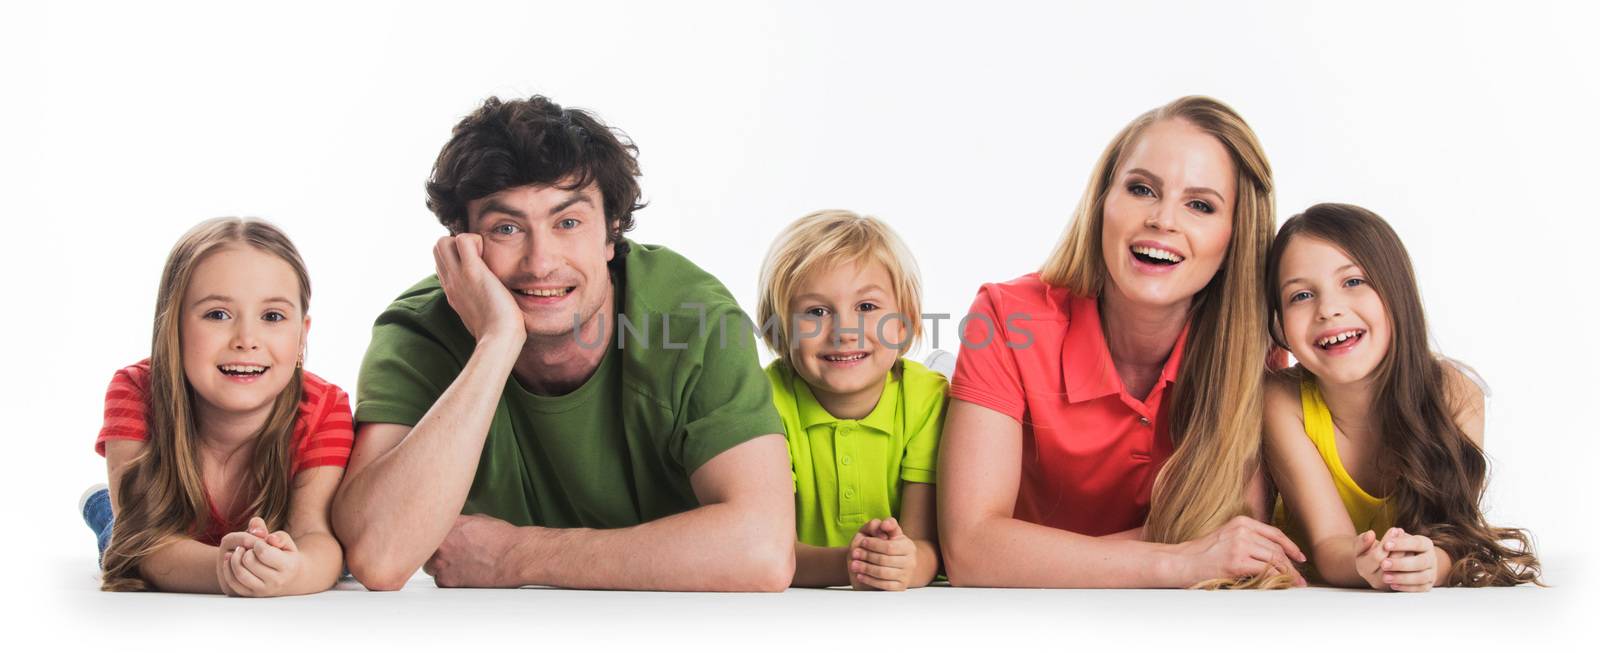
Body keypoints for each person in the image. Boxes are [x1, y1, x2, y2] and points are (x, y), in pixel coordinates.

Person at [333, 96, 794, 591]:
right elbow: (378, 557)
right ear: (461, 245)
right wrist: (497, 341)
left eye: (567, 223)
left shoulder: (691, 319)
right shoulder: (419, 329)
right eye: (506, 228)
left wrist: (517, 556)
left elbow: (762, 550)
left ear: (611, 232)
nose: (540, 262)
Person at [938, 96, 1305, 588]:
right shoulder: (1006, 317)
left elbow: (1236, 538)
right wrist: (1178, 560)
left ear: (1235, 235)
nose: (1163, 220)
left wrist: (1033, 554)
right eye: (1141, 189)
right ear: (1102, 203)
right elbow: (971, 551)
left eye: (1200, 204)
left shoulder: (1250, 349)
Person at [1263, 203, 1542, 591]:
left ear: (1397, 290)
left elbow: (1456, 533)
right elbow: (1328, 544)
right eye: (1302, 295)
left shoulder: (1456, 395)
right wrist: (1366, 565)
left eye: (1354, 282)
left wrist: (1435, 565)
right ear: (1280, 324)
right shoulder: (1281, 402)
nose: (1328, 310)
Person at [90, 218, 353, 595]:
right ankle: (102, 507)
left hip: (258, 543)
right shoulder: (134, 390)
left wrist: (293, 572)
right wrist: (226, 568)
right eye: (217, 315)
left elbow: (318, 538)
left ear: (301, 336)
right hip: (166, 530)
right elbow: (144, 545)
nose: (246, 340)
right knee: (114, 542)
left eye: (272, 317)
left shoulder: (325, 409)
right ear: (173, 328)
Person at [757, 210, 945, 590]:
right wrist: (854, 563)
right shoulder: (765, 400)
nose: (844, 331)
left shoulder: (927, 399)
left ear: (903, 322)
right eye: (816, 312)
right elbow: (767, 552)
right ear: (780, 330)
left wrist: (906, 565)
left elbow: (926, 544)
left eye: (866, 307)